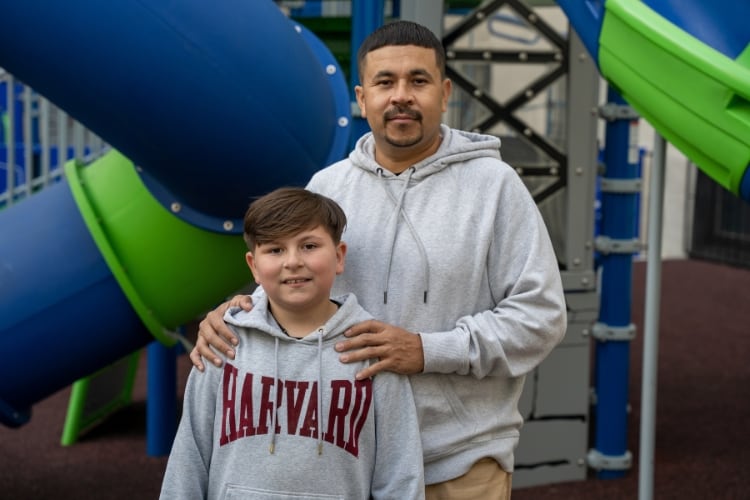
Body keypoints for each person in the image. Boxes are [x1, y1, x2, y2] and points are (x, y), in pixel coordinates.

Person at [191, 20, 566, 499]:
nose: (401, 96)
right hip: (339, 461)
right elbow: (289, 288)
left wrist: (429, 351)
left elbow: (542, 317)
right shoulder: (327, 187)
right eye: (386, 82)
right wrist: (232, 316)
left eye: (419, 80)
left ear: (445, 92)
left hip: (454, 461)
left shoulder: (495, 188)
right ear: (363, 97)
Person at [160, 187, 425, 499]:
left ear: (339, 256)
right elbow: (189, 460)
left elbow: (399, 476)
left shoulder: (373, 349)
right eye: (275, 250)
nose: (293, 262)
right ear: (253, 265)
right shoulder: (223, 343)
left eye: (309, 246)